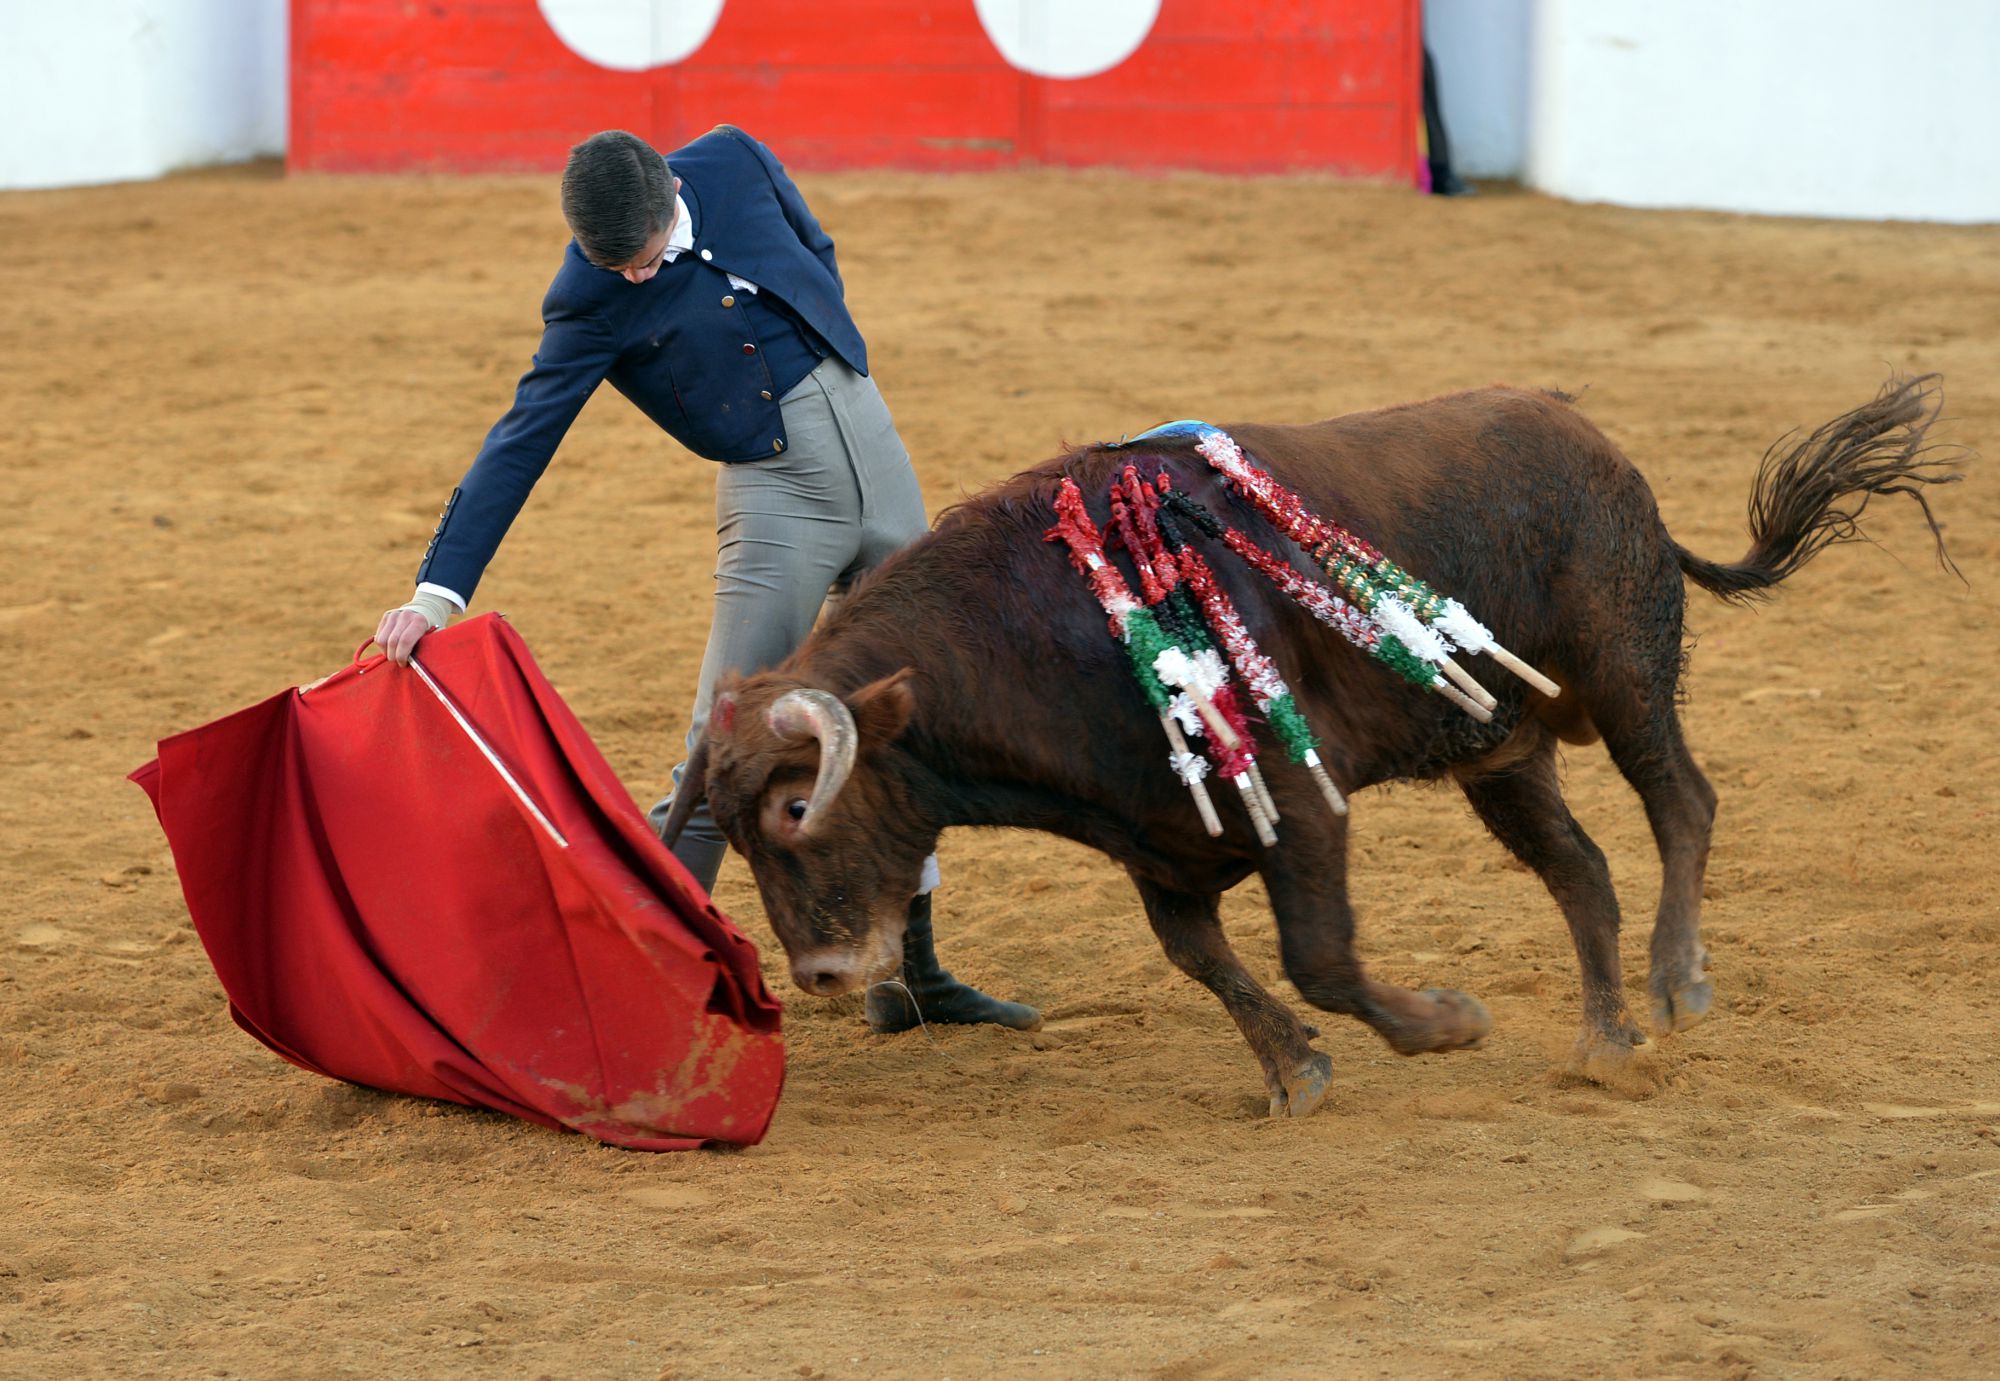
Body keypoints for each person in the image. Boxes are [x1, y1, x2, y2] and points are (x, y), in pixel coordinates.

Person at [370, 126, 1036, 1033]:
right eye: (617, 268)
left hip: (875, 446)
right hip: (775, 498)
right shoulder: (588, 299)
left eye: (643, 261)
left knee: (904, 713)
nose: (634, 279)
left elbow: (816, 253)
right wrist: (435, 593)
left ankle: (911, 978)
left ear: (670, 198)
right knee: (723, 740)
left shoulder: (737, 161)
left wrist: (834, 358)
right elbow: (519, 441)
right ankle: (623, 985)